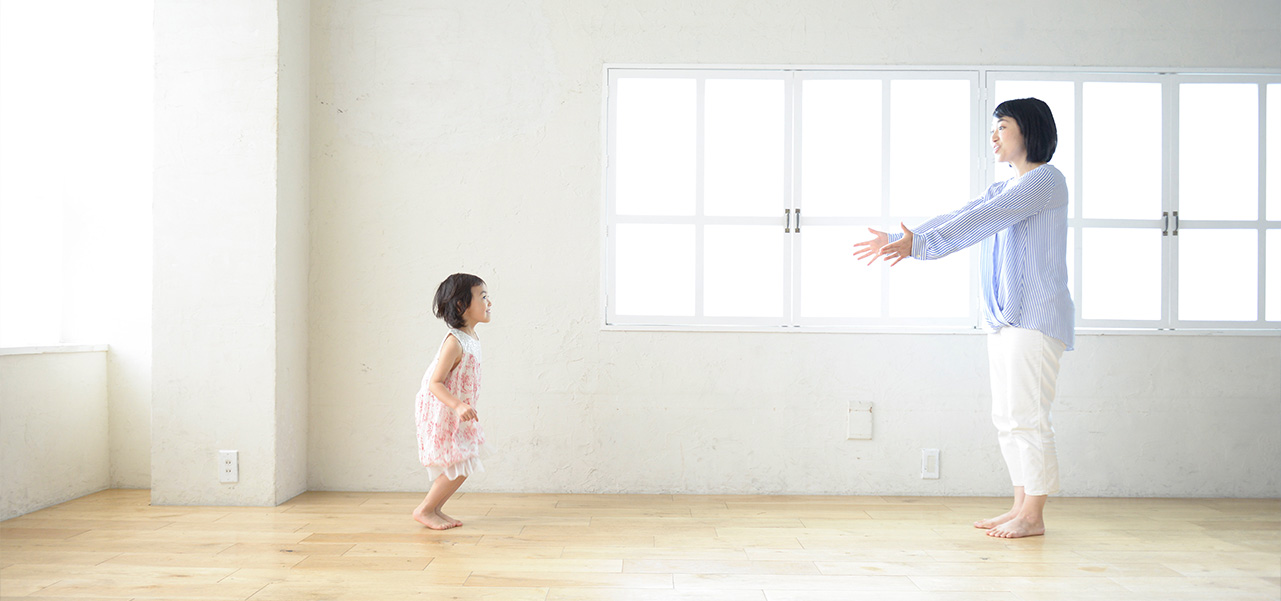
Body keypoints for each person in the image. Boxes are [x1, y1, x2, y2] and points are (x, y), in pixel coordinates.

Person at [853, 98, 1074, 539]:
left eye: (1003, 126)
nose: (994, 136)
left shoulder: (1046, 181)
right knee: (1008, 416)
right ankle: (1019, 507)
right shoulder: (1003, 187)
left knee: (1029, 417)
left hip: (1036, 317)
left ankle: (1034, 515)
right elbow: (961, 215)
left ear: (1028, 131)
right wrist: (903, 238)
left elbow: (982, 221)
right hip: (1008, 318)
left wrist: (919, 246)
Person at [412, 273, 492, 530]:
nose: (489, 302)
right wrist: (457, 405)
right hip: (442, 409)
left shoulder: (472, 339)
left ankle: (435, 508)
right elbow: (435, 382)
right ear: (461, 306)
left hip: (457, 411)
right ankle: (425, 509)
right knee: (459, 461)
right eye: (482, 296)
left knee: (464, 460)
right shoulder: (454, 342)